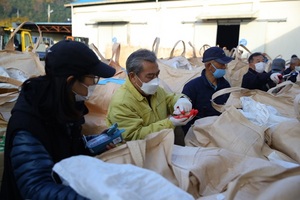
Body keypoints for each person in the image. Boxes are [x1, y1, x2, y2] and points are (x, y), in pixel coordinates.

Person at [0, 40, 116, 200]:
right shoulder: (28, 125)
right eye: (92, 78)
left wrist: (93, 144)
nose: (95, 84)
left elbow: (64, 147)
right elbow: (37, 189)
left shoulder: (63, 107)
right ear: (70, 81)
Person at [106, 49, 194, 141]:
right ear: (133, 77)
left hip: (159, 143)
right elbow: (132, 136)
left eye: (157, 74)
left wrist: (181, 100)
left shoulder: (154, 90)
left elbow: (168, 98)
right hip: (137, 151)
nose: (155, 80)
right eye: (150, 76)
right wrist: (169, 123)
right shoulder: (122, 103)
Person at [181, 46, 233, 134]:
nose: (225, 67)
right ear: (209, 65)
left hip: (221, 132)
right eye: (222, 64)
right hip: (200, 133)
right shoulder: (192, 87)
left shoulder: (225, 85)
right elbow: (185, 117)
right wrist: (191, 135)